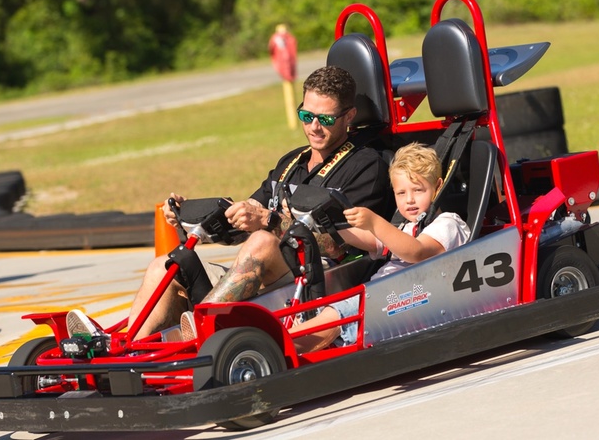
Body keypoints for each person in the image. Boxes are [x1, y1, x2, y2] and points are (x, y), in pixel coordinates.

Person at [67, 66, 393, 341]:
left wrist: (270, 222)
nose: (314, 127)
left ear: (349, 116)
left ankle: (203, 330)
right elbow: (243, 221)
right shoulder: (291, 162)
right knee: (166, 265)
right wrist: (187, 217)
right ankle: (124, 347)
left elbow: (344, 244)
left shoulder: (366, 165)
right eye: (306, 116)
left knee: (263, 240)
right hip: (265, 272)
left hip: (319, 276)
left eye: (325, 119)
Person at [289, 142, 470, 353]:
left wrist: (375, 222)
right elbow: (368, 239)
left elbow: (416, 252)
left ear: (438, 186)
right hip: (381, 300)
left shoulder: (448, 223)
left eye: (418, 190)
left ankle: (278, 346)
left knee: (337, 313)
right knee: (312, 309)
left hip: (408, 302)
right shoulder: (406, 226)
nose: (409, 200)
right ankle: (284, 342)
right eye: (401, 193)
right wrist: (325, 225)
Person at [268, 24, 299, 129]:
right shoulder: (276, 40)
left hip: (290, 69)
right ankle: (292, 123)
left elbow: (292, 52)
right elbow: (273, 52)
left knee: (291, 96)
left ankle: (294, 123)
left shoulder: (289, 39)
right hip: (284, 70)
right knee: (289, 97)